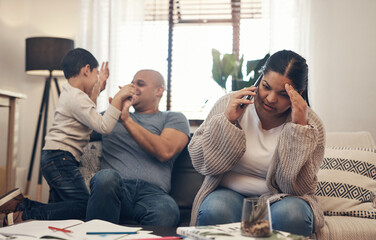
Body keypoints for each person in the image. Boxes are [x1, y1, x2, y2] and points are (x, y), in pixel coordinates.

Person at [188, 50, 325, 236]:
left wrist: (298, 130)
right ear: (260, 78)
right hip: (228, 192)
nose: (270, 98)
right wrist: (227, 121)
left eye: (283, 94)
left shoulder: (311, 125)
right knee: (216, 210)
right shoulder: (229, 104)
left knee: (292, 215)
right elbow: (201, 162)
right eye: (266, 86)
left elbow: (298, 188)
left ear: (298, 94)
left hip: (282, 198)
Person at [0, 48, 134, 226]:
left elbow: (89, 113)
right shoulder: (77, 98)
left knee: (62, 208)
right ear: (86, 70)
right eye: (95, 74)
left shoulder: (73, 94)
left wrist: (99, 87)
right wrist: (118, 97)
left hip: (55, 157)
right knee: (83, 206)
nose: (96, 80)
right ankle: (24, 212)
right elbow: (103, 126)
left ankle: (20, 205)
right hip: (60, 158)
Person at [85, 69, 190, 227]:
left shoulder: (173, 118)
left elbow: (165, 151)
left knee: (167, 211)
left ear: (159, 91)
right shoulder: (110, 116)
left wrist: (126, 120)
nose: (133, 88)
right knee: (105, 177)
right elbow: (78, 127)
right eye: (132, 84)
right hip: (116, 188)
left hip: (153, 194)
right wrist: (97, 91)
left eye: (140, 84)